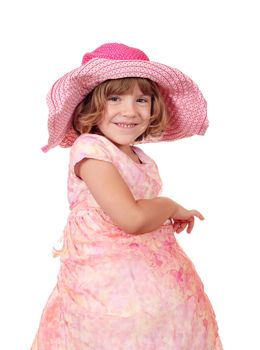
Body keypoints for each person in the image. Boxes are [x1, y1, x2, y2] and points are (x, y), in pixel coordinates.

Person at [31, 43, 223, 349]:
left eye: (141, 100)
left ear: (153, 107)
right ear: (90, 106)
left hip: (152, 282)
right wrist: (170, 206)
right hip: (109, 290)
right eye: (115, 98)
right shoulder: (91, 151)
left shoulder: (140, 157)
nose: (129, 110)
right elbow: (131, 218)